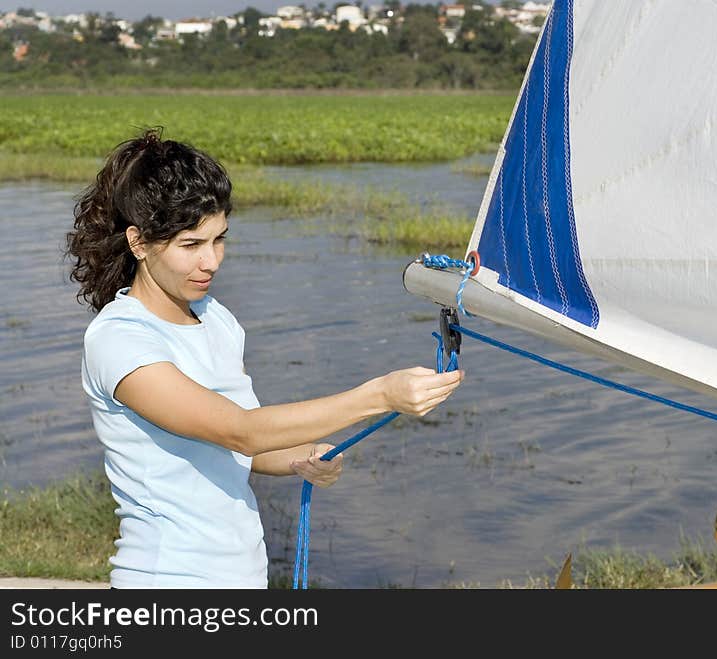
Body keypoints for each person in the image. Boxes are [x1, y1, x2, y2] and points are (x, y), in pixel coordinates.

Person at [65, 128, 464, 588]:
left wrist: (302, 456)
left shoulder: (215, 319)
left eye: (219, 240)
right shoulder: (119, 339)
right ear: (138, 243)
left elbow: (247, 451)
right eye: (191, 245)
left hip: (241, 575)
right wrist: (381, 395)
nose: (211, 262)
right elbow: (241, 432)